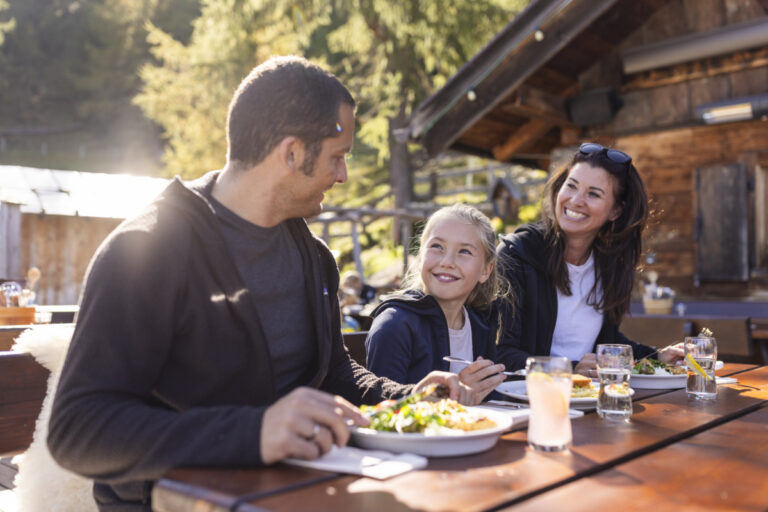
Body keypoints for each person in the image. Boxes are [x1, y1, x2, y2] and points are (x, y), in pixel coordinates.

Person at [47, 56, 470, 512]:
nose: (343, 175)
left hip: (299, 492)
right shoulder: (145, 250)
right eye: (337, 156)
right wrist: (256, 432)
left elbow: (335, 375)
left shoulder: (314, 258)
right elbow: (77, 431)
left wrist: (407, 397)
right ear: (291, 154)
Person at [496, 142, 683, 374]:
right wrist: (569, 369)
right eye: (571, 186)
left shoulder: (608, 265)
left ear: (615, 211)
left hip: (588, 392)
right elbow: (500, 352)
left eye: (593, 194)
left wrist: (657, 356)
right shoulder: (516, 255)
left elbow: (604, 342)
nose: (576, 200)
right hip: (527, 392)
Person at [365, 204, 509, 405]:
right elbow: (382, 412)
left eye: (464, 251)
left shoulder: (481, 324)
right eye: (437, 246)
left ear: (486, 270)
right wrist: (451, 396)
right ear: (420, 255)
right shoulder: (394, 325)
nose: (447, 262)